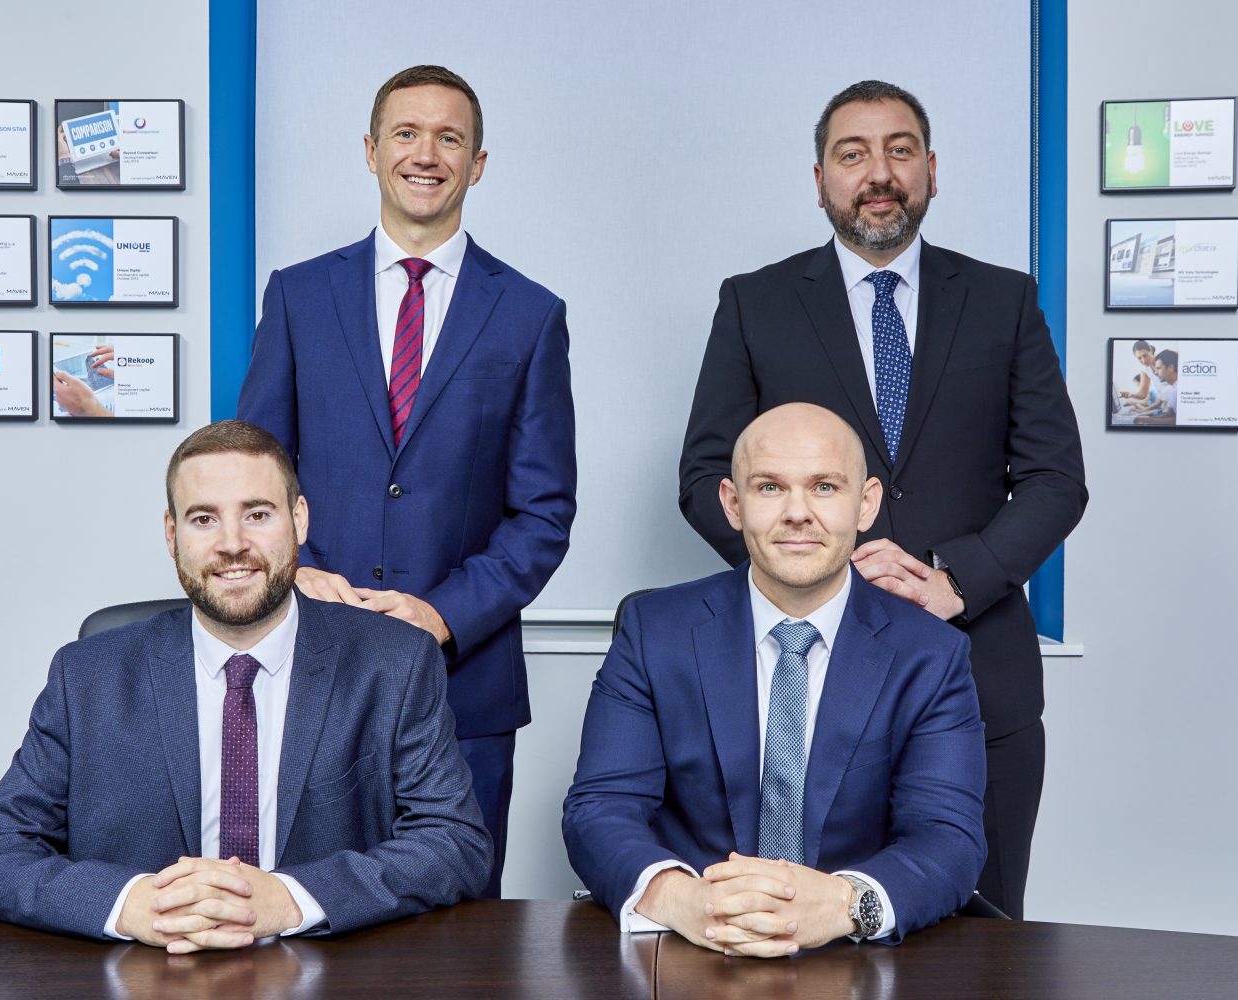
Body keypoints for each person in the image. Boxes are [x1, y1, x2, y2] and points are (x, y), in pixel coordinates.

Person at [677, 81, 1086, 918]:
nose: (879, 173)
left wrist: (954, 580)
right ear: (820, 176)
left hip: (979, 669)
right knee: (814, 924)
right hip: (808, 674)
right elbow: (703, 476)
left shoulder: (1004, 300)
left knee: (984, 935)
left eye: (900, 151)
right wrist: (823, 577)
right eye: (853, 154)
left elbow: (1055, 478)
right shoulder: (756, 302)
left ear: (932, 171)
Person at [0, 420, 491, 949]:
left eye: (257, 514)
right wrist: (132, 903)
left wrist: (292, 898)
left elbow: (454, 843)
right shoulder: (88, 675)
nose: (232, 544)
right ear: (171, 533)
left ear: (299, 520)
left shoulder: (394, 662)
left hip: (327, 972)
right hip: (143, 977)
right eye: (203, 519)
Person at [238, 65, 576, 898]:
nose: (427, 154)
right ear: (370, 150)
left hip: (465, 689)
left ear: (478, 162)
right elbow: (255, 472)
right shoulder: (297, 296)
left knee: (457, 926)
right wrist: (301, 572)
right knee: (303, 909)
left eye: (449, 137)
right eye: (406, 133)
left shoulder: (530, 314)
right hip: (311, 657)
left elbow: (543, 512)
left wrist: (441, 615)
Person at [566, 404, 985, 955]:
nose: (797, 513)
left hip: (853, 954)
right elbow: (601, 807)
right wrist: (680, 899)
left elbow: (947, 838)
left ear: (867, 503)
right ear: (733, 505)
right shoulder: (655, 632)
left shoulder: (932, 655)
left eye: (825, 487)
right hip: (694, 943)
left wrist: (841, 905)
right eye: (769, 487)